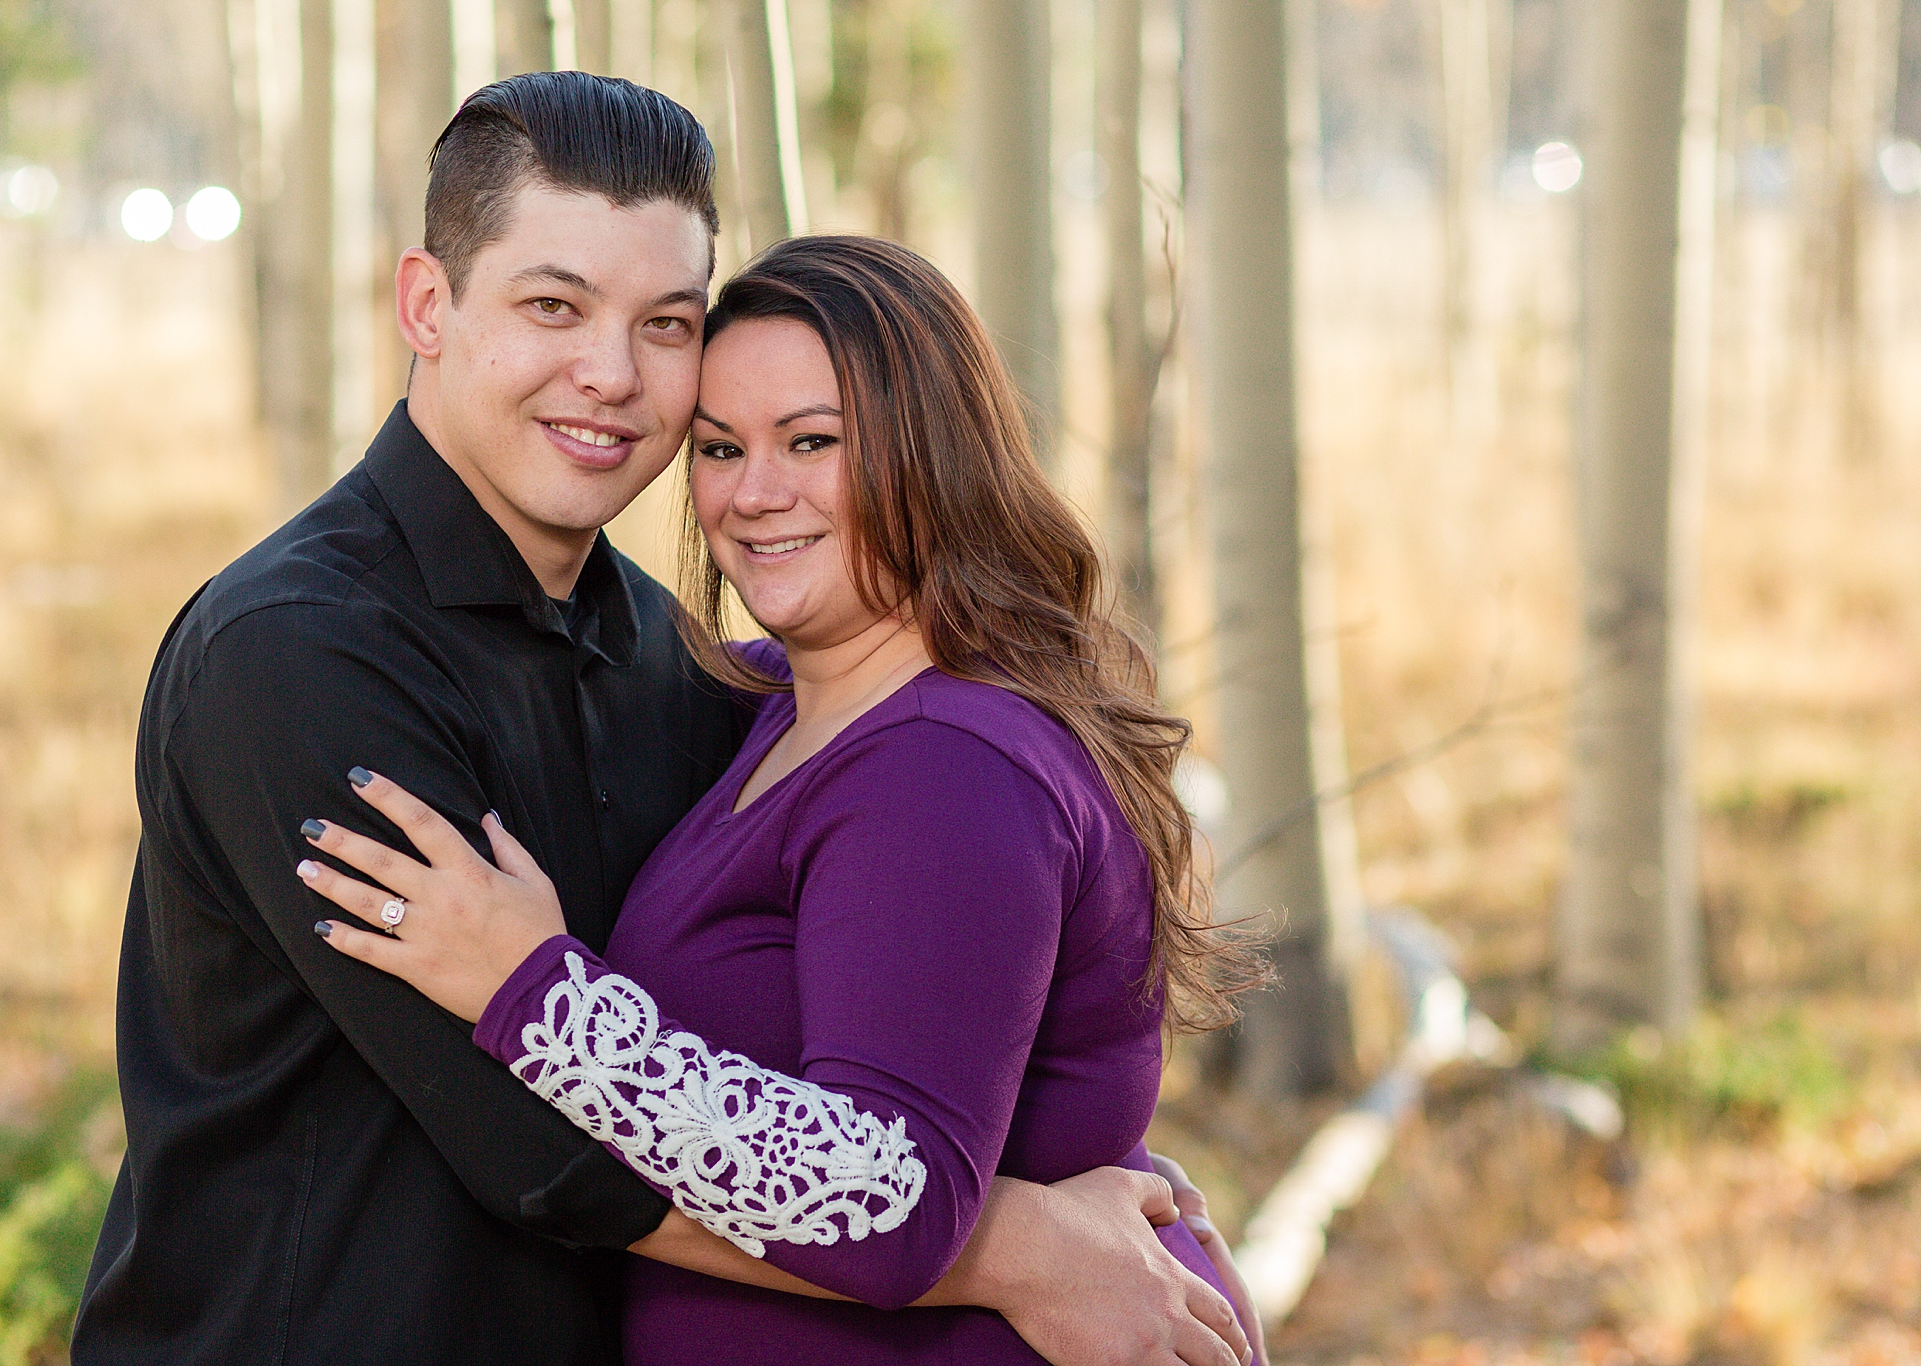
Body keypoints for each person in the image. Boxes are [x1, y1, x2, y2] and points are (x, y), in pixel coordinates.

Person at [74, 71, 1254, 1365]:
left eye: (666, 322)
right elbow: (540, 1138)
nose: (612, 376)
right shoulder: (297, 654)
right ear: (428, 304)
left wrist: (1072, 1171)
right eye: (552, 306)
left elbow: (913, 1024)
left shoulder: (694, 672)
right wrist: (1024, 1241)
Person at [301, 234, 1270, 1365]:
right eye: (718, 447)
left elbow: (887, 1204)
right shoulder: (774, 699)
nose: (754, 496)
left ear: (932, 455)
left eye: (811, 441)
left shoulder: (944, 763)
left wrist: (536, 992)